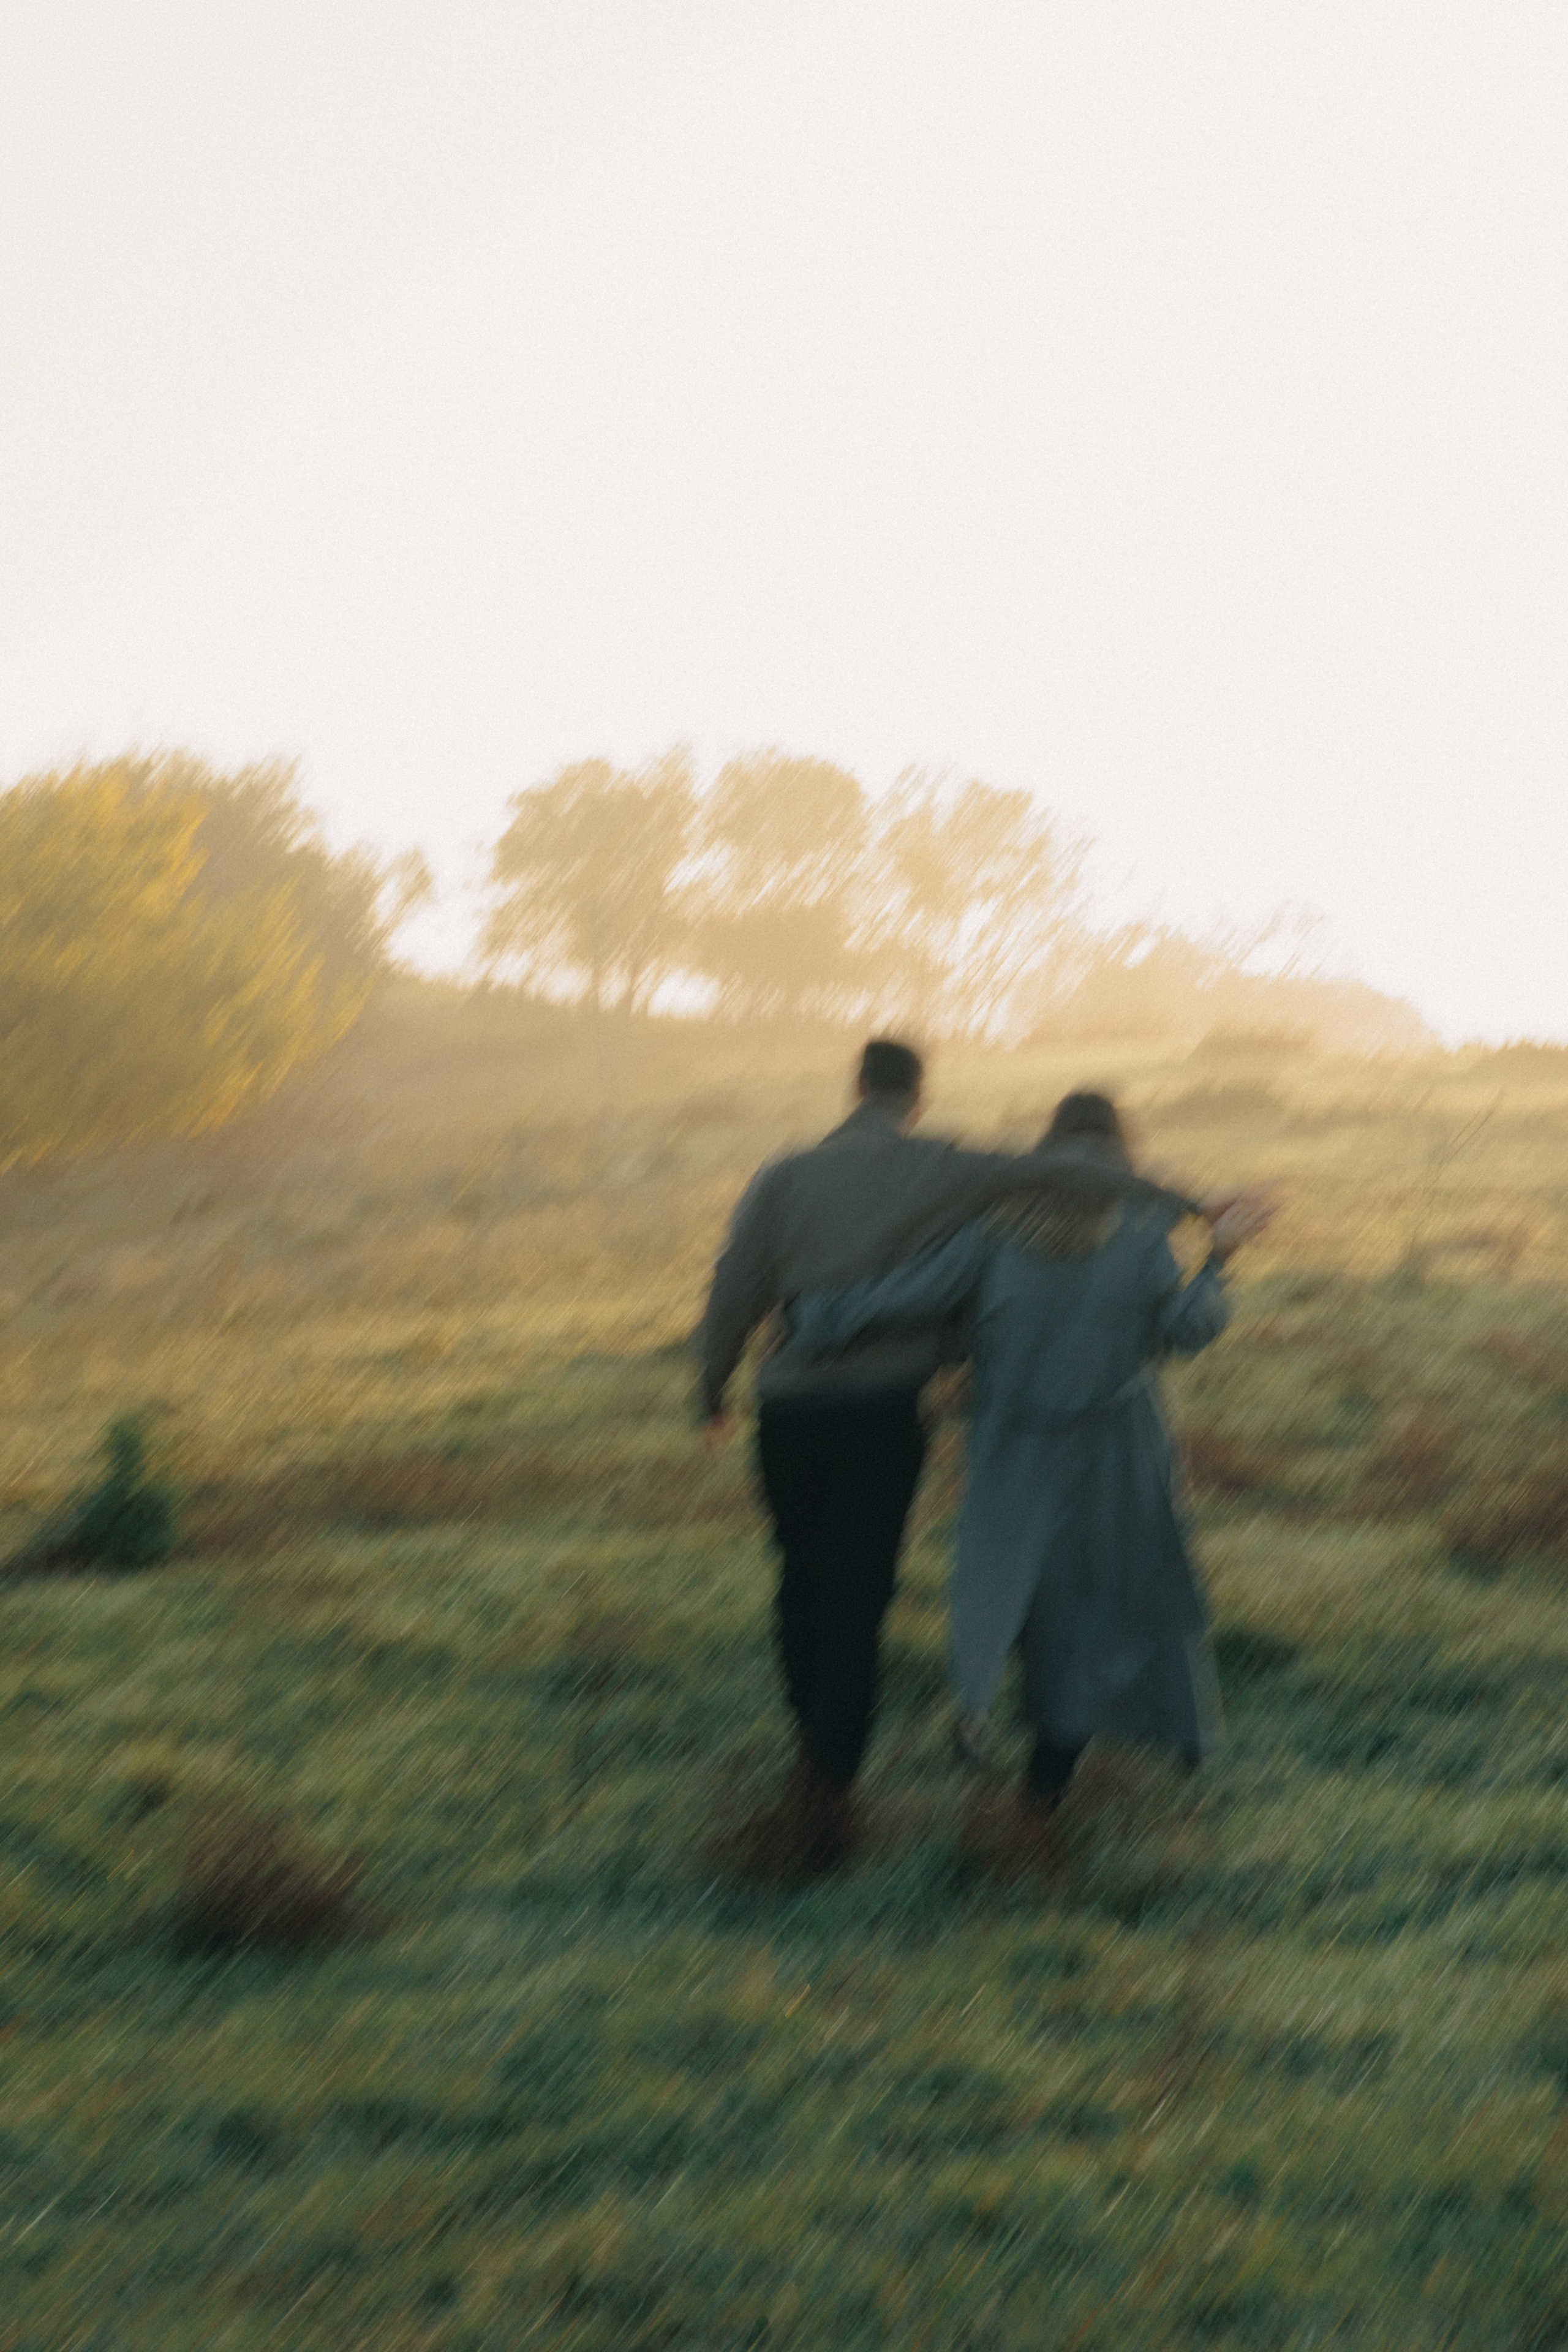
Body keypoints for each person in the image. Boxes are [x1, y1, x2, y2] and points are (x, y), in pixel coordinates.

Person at [698, 1044, 1209, 1873]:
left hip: (895, 1427)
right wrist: (1207, 1228)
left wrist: (763, 1354)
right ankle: (902, 1778)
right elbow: (1146, 1266)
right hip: (1004, 1433)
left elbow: (806, 1288)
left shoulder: (823, 1188)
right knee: (906, 1591)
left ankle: (885, 1737)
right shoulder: (1077, 1214)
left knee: (878, 1581)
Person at [786, 1090, 1276, 1823]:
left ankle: (988, 1721)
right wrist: (1221, 1260)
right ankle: (1069, 1772)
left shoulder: (994, 1230)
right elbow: (1184, 1331)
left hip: (1012, 1446)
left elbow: (904, 1293)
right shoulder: (1140, 1228)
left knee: (1008, 1592)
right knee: (1111, 1606)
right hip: (1119, 1454)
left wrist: (812, 1313)